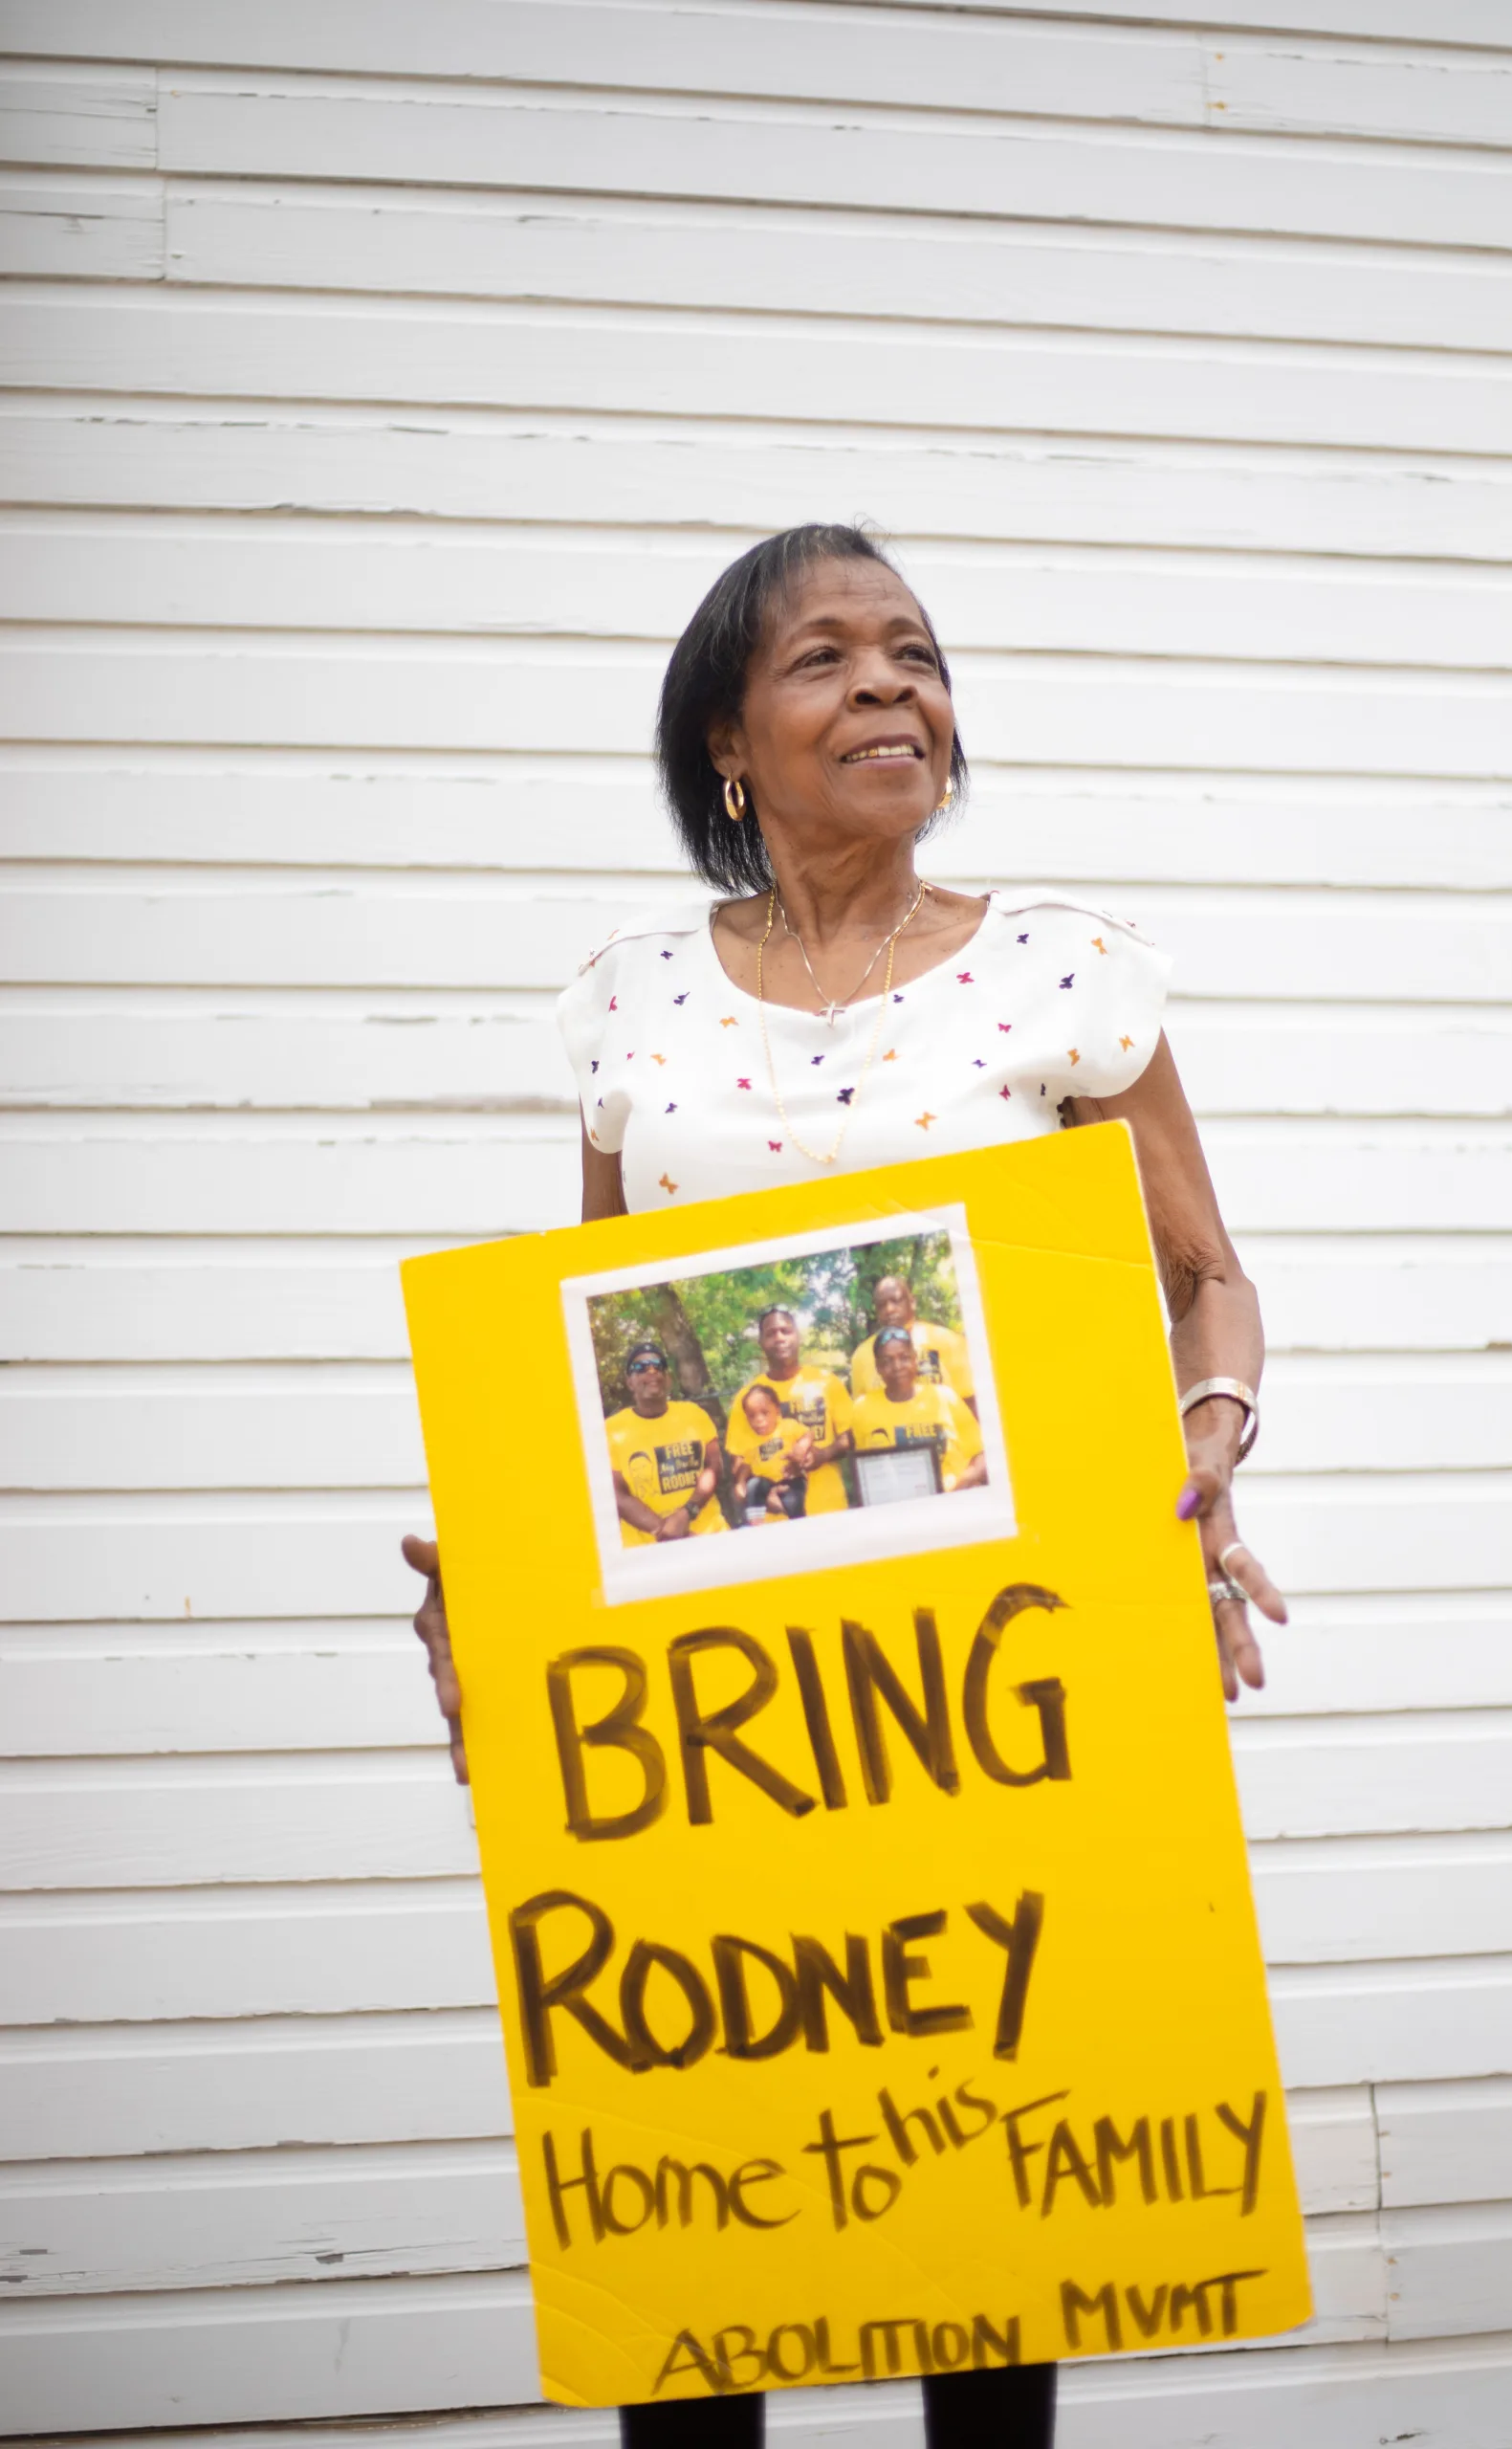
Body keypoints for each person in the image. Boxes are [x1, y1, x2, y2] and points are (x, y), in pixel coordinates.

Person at [405, 521, 1285, 2449]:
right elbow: (591, 1333)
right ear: (725, 741)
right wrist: (493, 1567)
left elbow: (1202, 1271)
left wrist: (1202, 1439)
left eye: (916, 652)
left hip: (992, 1666)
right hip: (722, 1695)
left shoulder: (1061, 968)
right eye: (823, 658)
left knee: (990, 2181)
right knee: (717, 2203)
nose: (890, 684)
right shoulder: (629, 999)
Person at [722, 1304, 853, 1514]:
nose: (780, 1338)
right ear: (761, 1343)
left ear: (798, 1336)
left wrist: (823, 1454)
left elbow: (849, 1438)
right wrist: (764, 1494)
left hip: (830, 1510)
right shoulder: (747, 1398)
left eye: (786, 1331)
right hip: (775, 1519)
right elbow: (739, 1463)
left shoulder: (827, 1382)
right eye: (771, 1334)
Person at [602, 1341, 727, 1546]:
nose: (651, 1371)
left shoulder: (694, 1414)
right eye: (641, 1368)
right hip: (649, 1552)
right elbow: (616, 1493)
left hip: (710, 1537)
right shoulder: (611, 1430)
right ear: (629, 1382)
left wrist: (687, 1513)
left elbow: (713, 1468)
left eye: (658, 1366)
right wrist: (665, 1530)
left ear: (667, 1379)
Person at [851, 1323, 986, 1493]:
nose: (897, 1366)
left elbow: (981, 1455)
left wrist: (957, 1489)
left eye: (904, 1357)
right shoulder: (862, 1409)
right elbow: (865, 1470)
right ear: (878, 1367)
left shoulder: (946, 1398)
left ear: (915, 1359)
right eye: (887, 1361)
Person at [848, 1272, 975, 1408]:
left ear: (912, 1302)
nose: (889, 1309)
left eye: (896, 1301)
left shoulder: (949, 1342)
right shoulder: (861, 1356)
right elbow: (862, 1412)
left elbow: (972, 1403)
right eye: (881, 1305)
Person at [731, 1379, 813, 1522]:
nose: (759, 1420)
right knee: (753, 1486)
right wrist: (741, 1482)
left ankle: (800, 1525)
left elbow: (808, 1433)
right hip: (765, 1482)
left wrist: (802, 1447)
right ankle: (756, 1524)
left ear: (777, 1410)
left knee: (793, 1501)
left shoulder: (788, 1426)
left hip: (790, 1478)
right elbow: (746, 1464)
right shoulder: (751, 1440)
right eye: (752, 1416)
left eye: (765, 1413)